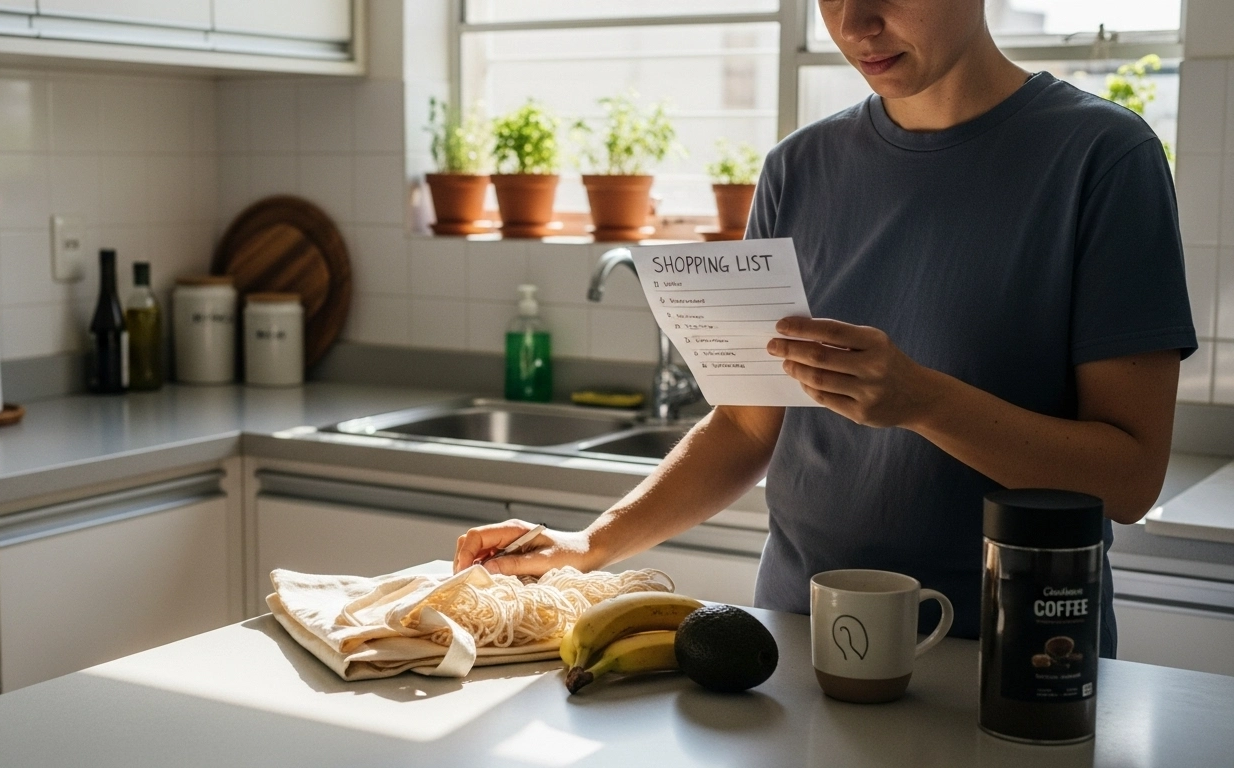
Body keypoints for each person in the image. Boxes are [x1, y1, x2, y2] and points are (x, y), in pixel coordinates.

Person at [452, 0, 1196, 657]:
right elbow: (747, 425)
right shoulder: (797, 168)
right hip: (798, 640)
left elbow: (1129, 480)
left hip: (1010, 656)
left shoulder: (1103, 158)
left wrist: (924, 401)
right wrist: (591, 544)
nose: (854, 23)